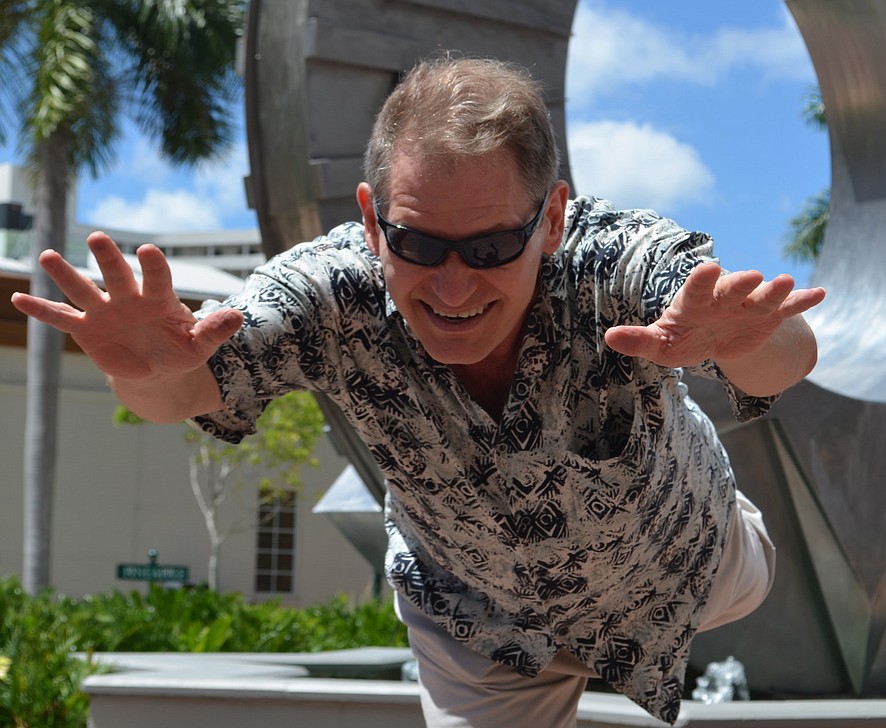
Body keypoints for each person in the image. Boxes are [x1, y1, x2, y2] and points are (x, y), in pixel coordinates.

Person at [12, 56, 825, 726]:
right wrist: (145, 370)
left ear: (550, 221)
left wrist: (754, 344)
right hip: (479, 620)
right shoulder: (331, 292)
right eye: (418, 242)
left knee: (731, 554)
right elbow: (186, 387)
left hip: (691, 563)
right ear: (372, 222)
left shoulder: (611, 259)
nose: (452, 283)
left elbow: (787, 353)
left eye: (492, 245)